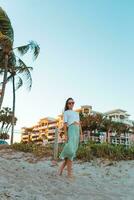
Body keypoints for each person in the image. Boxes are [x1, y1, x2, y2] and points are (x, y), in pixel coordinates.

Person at [59, 97, 83, 178]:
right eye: (69, 103)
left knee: (71, 152)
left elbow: (79, 125)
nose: (71, 104)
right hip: (71, 130)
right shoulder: (66, 112)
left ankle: (60, 170)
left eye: (73, 103)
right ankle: (69, 174)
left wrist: (81, 135)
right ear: (67, 104)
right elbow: (65, 125)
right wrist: (66, 136)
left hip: (76, 131)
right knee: (71, 153)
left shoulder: (77, 113)